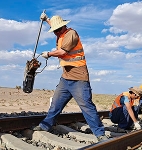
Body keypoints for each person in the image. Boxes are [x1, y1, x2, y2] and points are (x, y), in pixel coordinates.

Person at [32, 12, 108, 142]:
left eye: (57, 29)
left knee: (87, 107)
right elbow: (55, 25)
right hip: (66, 77)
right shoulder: (60, 32)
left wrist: (49, 53)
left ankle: (100, 134)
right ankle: (45, 126)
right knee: (55, 104)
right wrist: (46, 20)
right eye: (54, 30)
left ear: (63, 27)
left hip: (79, 78)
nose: (55, 32)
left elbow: (62, 52)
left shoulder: (71, 34)